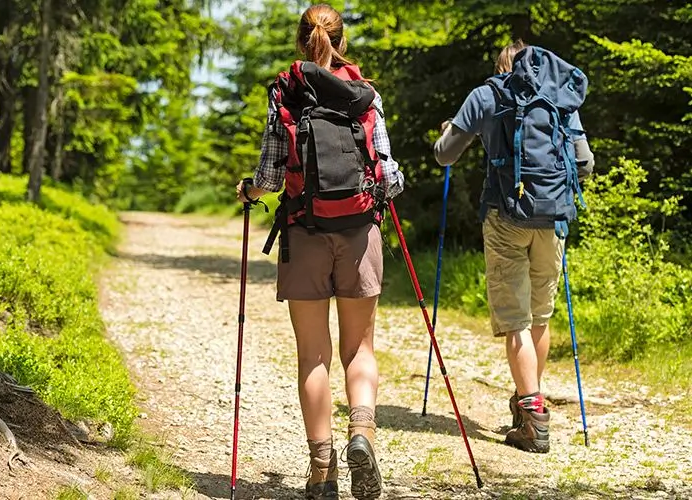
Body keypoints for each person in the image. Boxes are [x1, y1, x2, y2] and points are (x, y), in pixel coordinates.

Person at [235, 4, 404, 499]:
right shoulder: (366, 96)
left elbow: (269, 175)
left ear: (300, 41)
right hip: (359, 232)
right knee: (359, 349)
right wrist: (384, 189)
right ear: (341, 41)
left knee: (313, 355)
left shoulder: (285, 92)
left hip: (304, 232)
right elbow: (388, 174)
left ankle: (321, 469)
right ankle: (362, 435)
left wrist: (249, 192)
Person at [433, 40, 595, 453]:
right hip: (553, 218)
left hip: (505, 215)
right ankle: (529, 400)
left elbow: (445, 156)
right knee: (539, 314)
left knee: (516, 320)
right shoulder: (560, 96)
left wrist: (447, 134)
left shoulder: (487, 94)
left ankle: (533, 416)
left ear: (501, 65)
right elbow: (585, 164)